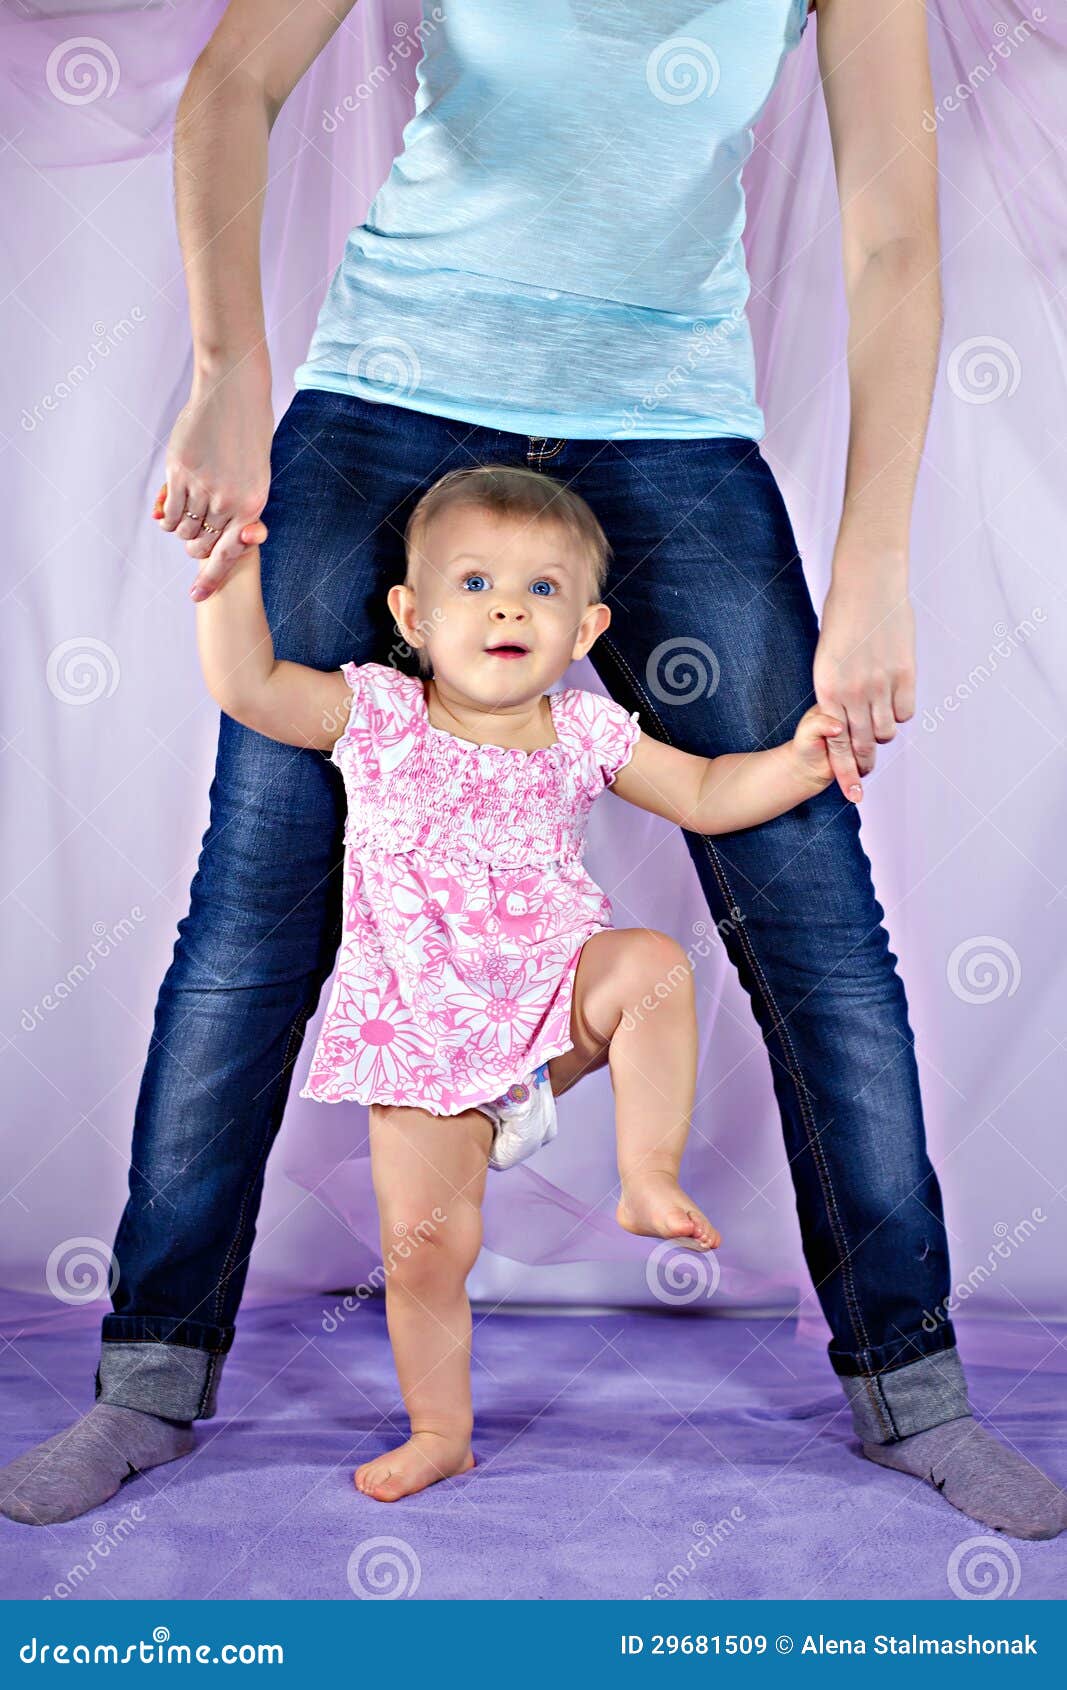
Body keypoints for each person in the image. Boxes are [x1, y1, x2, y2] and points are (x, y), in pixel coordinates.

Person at [2, 0, 1063, 1538]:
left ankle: (913, 1388)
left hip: (669, 435)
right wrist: (230, 365)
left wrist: (875, 560)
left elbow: (894, 233)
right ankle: (149, 1375)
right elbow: (235, 82)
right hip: (383, 405)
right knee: (256, 902)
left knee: (813, 917)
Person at [195, 460, 855, 1500]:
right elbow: (251, 687)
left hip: (549, 1011)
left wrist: (804, 761)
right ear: (409, 614)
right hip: (418, 1037)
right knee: (424, 1256)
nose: (507, 604)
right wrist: (228, 576)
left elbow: (705, 789)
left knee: (649, 964)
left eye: (541, 588)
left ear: (586, 630)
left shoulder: (584, 730)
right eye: (473, 583)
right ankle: (439, 1431)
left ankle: (646, 1176)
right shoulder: (377, 714)